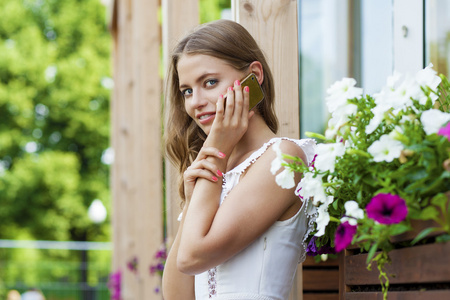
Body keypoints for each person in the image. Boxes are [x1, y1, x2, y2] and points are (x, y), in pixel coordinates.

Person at [162, 19, 316, 300]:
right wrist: (194, 192)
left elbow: (191, 258)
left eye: (209, 82)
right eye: (187, 90)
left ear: (254, 76)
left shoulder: (282, 159)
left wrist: (217, 149)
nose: (195, 102)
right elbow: (177, 294)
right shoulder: (215, 168)